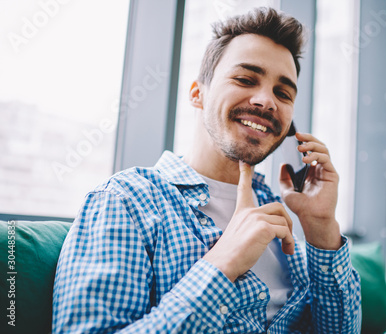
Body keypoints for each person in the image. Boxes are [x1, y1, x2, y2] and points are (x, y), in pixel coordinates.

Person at [52, 7, 361, 333]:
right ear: (198, 94)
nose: (266, 101)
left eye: (282, 93)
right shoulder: (125, 202)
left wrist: (321, 226)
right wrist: (223, 263)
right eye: (245, 79)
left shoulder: (279, 212)